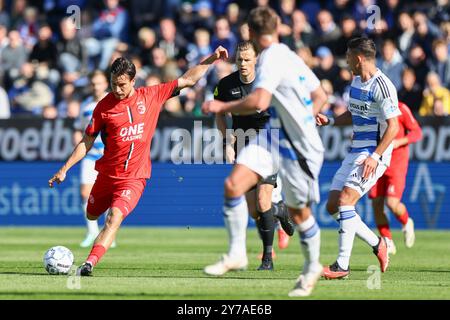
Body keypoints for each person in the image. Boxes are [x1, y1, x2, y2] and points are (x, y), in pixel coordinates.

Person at [48, 46, 229, 276]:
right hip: (107, 176)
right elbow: (87, 141)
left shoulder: (151, 96)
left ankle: (89, 264)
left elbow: (186, 80)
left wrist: (213, 58)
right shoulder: (103, 107)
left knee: (114, 218)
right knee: (92, 214)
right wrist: (64, 169)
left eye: (122, 84)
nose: (117, 88)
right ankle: (94, 240)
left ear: (133, 81)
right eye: (113, 83)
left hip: (134, 178)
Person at [202, 7, 328, 297]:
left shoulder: (272, 58)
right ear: (278, 27)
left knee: (301, 213)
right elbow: (320, 96)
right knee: (233, 185)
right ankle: (237, 253)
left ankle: (311, 268)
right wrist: (307, 114)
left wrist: (221, 107)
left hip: (300, 145)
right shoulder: (289, 54)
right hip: (272, 136)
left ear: (254, 36)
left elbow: (259, 101)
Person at [316, 37, 400, 279]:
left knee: (345, 201)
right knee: (334, 205)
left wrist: (375, 156)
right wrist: (330, 120)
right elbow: (353, 114)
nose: (346, 60)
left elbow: (394, 127)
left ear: (359, 58)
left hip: (375, 153)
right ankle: (378, 244)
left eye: (349, 56)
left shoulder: (382, 86)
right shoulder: (355, 81)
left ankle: (341, 265)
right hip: (356, 151)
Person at [214, 40, 294, 271]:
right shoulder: (226, 85)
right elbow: (220, 114)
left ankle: (267, 259)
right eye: (239, 59)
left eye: (247, 59)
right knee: (254, 211)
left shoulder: (267, 82)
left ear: (256, 60)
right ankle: (280, 211)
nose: (243, 64)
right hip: (243, 147)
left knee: (262, 201)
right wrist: (227, 141)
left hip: (270, 146)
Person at [369, 102, 422, 254]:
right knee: (376, 203)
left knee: (392, 203)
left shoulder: (401, 108)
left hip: (396, 163)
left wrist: (400, 141)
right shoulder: (373, 108)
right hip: (377, 160)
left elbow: (417, 132)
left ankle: (406, 222)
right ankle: (387, 240)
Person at [73, 70, 110, 248]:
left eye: (99, 83)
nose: (96, 86)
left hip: (109, 155)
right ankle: (92, 232)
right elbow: (79, 128)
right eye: (93, 83)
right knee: (84, 193)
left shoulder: (112, 101)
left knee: (110, 195)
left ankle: (108, 233)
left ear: (106, 83)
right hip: (91, 155)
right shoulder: (86, 106)